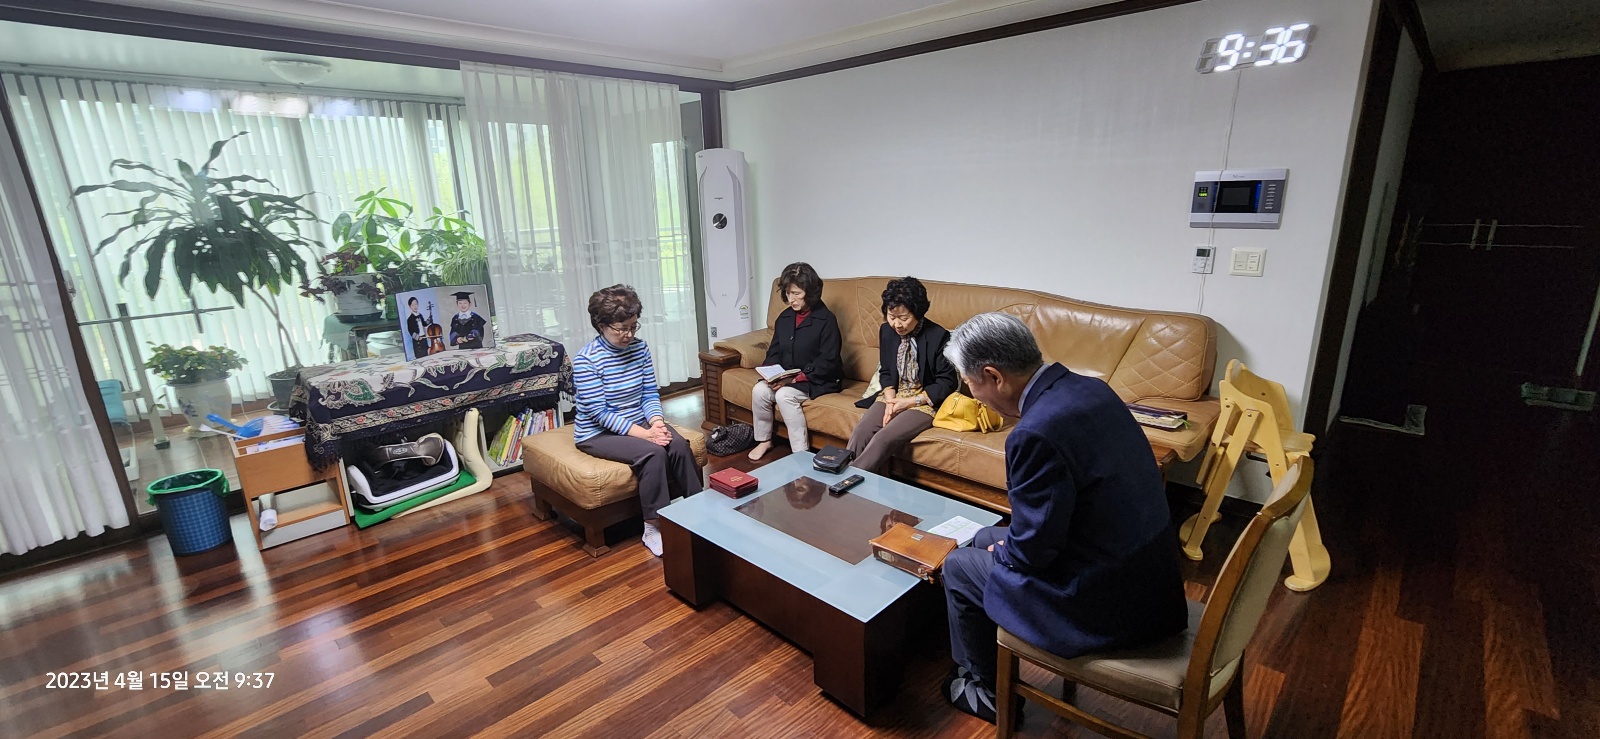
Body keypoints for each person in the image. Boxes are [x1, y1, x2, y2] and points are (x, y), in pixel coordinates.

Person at [938, 312, 1188, 723]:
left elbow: (1033, 553)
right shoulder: (1092, 389)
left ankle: (988, 692)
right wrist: (1006, 547)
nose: (973, 396)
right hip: (1151, 582)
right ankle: (982, 661)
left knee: (959, 566)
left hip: (1107, 607)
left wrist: (1008, 553)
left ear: (994, 376)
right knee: (984, 537)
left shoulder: (1036, 432)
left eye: (970, 384)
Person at [572, 284, 701, 557]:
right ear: (601, 325)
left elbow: (649, 392)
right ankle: (653, 527)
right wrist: (647, 436)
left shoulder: (640, 349)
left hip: (639, 421)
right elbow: (600, 413)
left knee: (679, 445)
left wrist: (656, 422)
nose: (629, 335)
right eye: (622, 329)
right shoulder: (586, 361)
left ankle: (700, 509)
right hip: (598, 432)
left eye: (633, 326)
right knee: (653, 453)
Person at [845, 277, 959, 473]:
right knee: (861, 432)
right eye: (891, 316)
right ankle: (844, 474)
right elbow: (886, 371)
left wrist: (909, 402)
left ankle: (846, 482)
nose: (897, 324)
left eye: (904, 318)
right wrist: (890, 401)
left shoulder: (938, 336)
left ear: (918, 313)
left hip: (924, 401)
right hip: (894, 395)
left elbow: (946, 382)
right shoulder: (886, 331)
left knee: (883, 438)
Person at [747, 263, 842, 461]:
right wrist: (771, 374)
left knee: (784, 395)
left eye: (797, 294)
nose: (792, 299)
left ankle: (800, 453)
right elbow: (774, 351)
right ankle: (764, 440)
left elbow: (829, 360)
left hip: (818, 379)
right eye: (788, 293)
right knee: (759, 391)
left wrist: (794, 379)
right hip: (786, 377)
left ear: (811, 292)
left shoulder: (827, 320)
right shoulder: (785, 317)